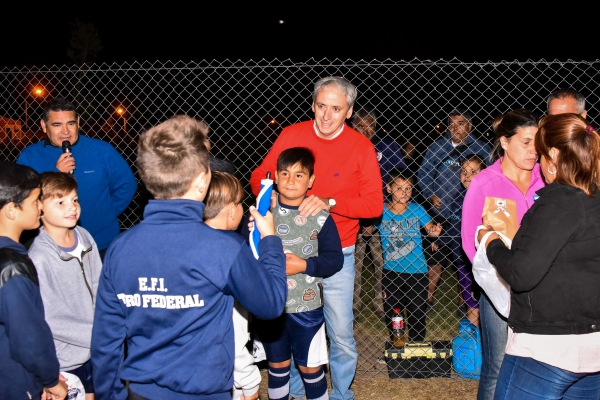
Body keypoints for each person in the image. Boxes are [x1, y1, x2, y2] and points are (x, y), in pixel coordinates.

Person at [91, 115, 287, 400]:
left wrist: (110, 396)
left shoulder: (120, 248)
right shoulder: (223, 248)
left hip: (141, 392)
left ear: (147, 178)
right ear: (201, 181)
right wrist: (270, 241)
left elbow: (106, 340)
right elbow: (270, 303)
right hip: (205, 392)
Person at [250, 76, 382, 400]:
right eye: (321, 106)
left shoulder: (361, 147)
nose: (326, 115)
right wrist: (275, 205)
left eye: (335, 109)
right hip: (289, 255)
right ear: (312, 104)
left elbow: (374, 205)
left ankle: (340, 394)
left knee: (339, 333)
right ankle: (294, 391)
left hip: (338, 256)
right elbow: (260, 177)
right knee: (292, 326)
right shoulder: (290, 135)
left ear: (348, 111)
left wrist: (330, 202)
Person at [478, 113, 600, 399]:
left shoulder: (557, 203)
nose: (539, 162)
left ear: (555, 155)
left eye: (543, 154)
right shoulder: (594, 198)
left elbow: (521, 274)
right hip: (592, 344)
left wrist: (491, 241)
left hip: (548, 347)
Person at [461, 109, 543, 400]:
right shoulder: (484, 183)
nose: (535, 151)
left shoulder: (547, 180)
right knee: (496, 365)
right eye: (526, 142)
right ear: (505, 142)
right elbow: (471, 243)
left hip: (542, 288)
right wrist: (499, 282)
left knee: (536, 364)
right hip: (499, 289)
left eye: (538, 142)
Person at [248, 147, 343, 400]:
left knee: (310, 367)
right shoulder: (261, 213)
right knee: (277, 366)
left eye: (300, 175)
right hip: (271, 307)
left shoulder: (320, 217)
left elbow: (334, 259)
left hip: (306, 306)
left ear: (311, 181)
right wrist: (250, 234)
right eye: (285, 173)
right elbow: (245, 254)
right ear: (276, 177)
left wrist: (304, 265)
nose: (291, 180)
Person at [17, 97, 137, 259]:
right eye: (57, 125)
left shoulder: (102, 151)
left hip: (100, 243)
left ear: (78, 122)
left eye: (71, 123)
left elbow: (127, 185)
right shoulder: (30, 156)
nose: (65, 131)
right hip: (51, 247)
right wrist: (57, 174)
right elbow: (24, 199)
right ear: (44, 126)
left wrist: (106, 212)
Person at [28, 172, 102, 400]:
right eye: (60, 202)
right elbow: (50, 316)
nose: (72, 207)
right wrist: (97, 335)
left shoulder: (85, 236)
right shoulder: (39, 257)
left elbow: (101, 284)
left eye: (75, 200)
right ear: (39, 207)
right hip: (66, 357)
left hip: (96, 350)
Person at [0, 161, 67, 400]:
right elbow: (28, 336)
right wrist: (49, 380)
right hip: (12, 381)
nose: (40, 206)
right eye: (35, 200)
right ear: (11, 210)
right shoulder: (12, 267)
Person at [418, 108, 491, 318]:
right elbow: (423, 173)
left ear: (469, 126)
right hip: (439, 213)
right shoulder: (437, 147)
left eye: (459, 123)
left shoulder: (482, 149)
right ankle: (428, 297)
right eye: (451, 123)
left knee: (465, 259)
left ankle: (464, 301)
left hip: (469, 214)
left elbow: (491, 175)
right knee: (435, 257)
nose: (454, 128)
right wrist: (431, 195)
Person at [203, 171, 261, 400]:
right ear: (230, 209)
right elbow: (233, 340)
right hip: (232, 361)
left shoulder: (194, 241)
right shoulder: (232, 249)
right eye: (240, 204)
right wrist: (250, 381)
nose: (243, 210)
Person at [351, 106, 406, 321]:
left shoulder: (388, 147)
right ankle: (353, 305)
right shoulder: (347, 146)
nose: (365, 131)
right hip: (353, 216)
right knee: (352, 265)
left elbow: (400, 177)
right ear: (353, 126)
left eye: (370, 126)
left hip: (383, 217)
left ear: (376, 127)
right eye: (360, 126)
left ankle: (382, 304)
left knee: (384, 264)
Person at [378, 168, 442, 345]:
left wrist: (433, 231)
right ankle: (397, 346)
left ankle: (417, 346)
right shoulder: (381, 210)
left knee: (417, 313)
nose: (404, 192)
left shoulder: (416, 209)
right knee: (393, 311)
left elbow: (429, 227)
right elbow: (368, 230)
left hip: (417, 271)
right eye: (399, 188)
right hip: (391, 271)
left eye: (408, 188)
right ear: (389, 189)